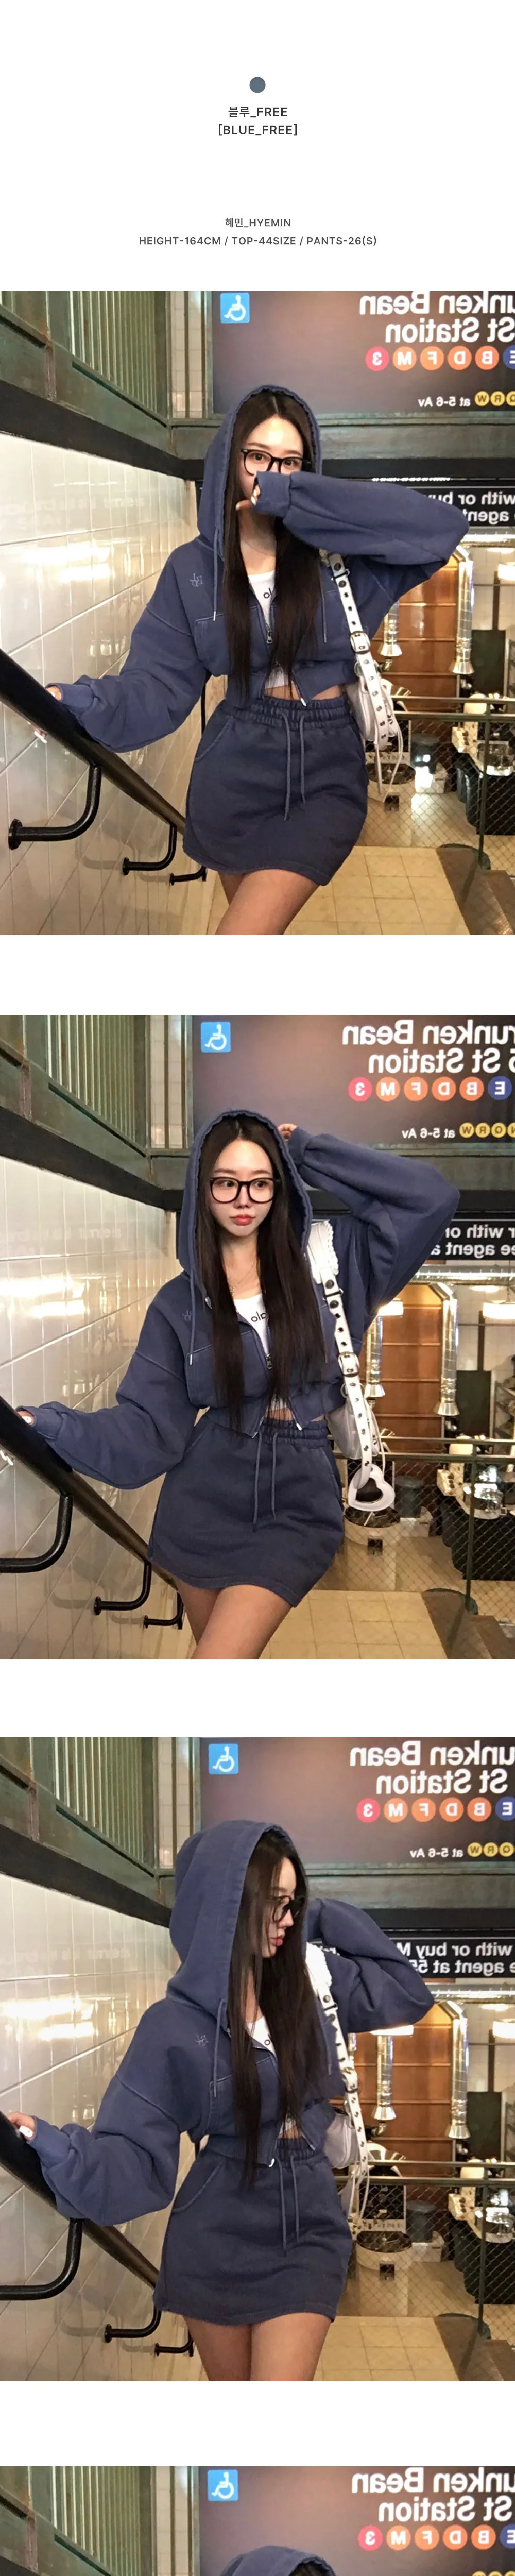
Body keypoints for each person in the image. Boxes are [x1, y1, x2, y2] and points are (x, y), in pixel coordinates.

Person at [19, 1110, 459, 1659]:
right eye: (226, 1182)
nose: (243, 1198)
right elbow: (148, 1428)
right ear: (202, 1189)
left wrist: (308, 1152)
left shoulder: (333, 1259)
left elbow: (430, 1198)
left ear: (279, 1186)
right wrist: (49, 1425)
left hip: (296, 1495)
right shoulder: (179, 1304)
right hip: (203, 1495)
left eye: (260, 1182)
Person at [8, 1816, 431, 2381]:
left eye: (292, 1904)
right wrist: (58, 2148)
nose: (286, 1920)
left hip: (308, 2222)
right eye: (274, 1903)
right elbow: (134, 2150)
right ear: (227, 1902)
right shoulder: (173, 2027)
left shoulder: (311, 1984)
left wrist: (317, 1914)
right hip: (216, 2231)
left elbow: (407, 1991)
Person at [44, 383, 469, 936]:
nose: (272, 473)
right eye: (258, 457)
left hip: (325, 768)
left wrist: (296, 502)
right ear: (231, 459)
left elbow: (441, 529)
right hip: (235, 763)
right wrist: (80, 700)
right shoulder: (193, 569)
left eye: (290, 462)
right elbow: (159, 685)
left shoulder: (339, 556)